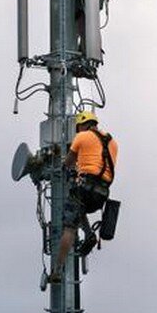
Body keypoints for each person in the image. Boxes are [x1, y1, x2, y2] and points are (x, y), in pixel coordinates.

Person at [49, 110, 118, 284]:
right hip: (101, 193)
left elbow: (69, 162)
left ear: (82, 124)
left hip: (84, 187)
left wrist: (66, 166)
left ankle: (57, 270)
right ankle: (88, 234)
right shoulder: (112, 143)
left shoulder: (82, 136)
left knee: (69, 228)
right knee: (80, 208)